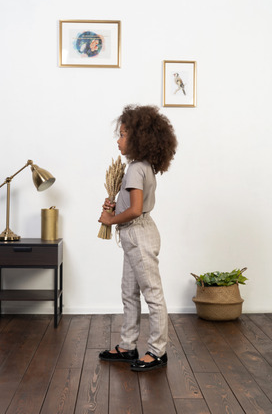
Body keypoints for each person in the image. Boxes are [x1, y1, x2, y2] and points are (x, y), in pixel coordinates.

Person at [98, 104, 178, 372]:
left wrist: (110, 219)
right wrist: (114, 205)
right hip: (138, 234)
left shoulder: (134, 169)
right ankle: (128, 345)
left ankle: (157, 351)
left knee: (151, 294)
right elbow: (131, 205)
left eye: (122, 134)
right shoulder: (143, 166)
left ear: (138, 138)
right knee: (129, 292)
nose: (118, 140)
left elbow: (134, 210)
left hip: (137, 235)